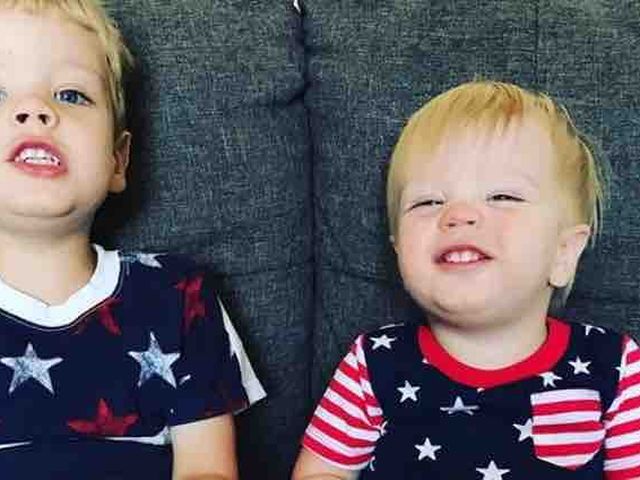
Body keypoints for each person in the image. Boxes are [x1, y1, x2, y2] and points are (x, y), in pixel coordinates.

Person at [292, 81, 640, 479]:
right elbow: (320, 472)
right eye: (429, 202)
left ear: (564, 252)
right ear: (398, 249)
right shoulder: (374, 363)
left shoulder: (611, 366)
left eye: (503, 197)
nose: (458, 215)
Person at [0, 1, 265, 478]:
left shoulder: (177, 296)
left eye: (71, 95)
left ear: (118, 160)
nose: (33, 110)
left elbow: (207, 470)